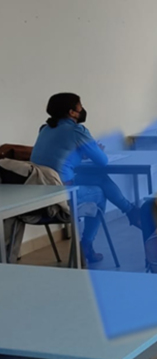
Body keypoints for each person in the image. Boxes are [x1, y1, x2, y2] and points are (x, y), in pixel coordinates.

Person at [31, 93, 141, 263]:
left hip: (39, 193)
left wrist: (80, 153)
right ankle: (87, 245)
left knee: (100, 178)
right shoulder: (76, 130)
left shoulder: (45, 129)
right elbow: (102, 161)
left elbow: (59, 155)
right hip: (62, 194)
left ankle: (130, 211)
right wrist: (95, 150)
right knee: (100, 193)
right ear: (72, 112)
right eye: (80, 106)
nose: (82, 109)